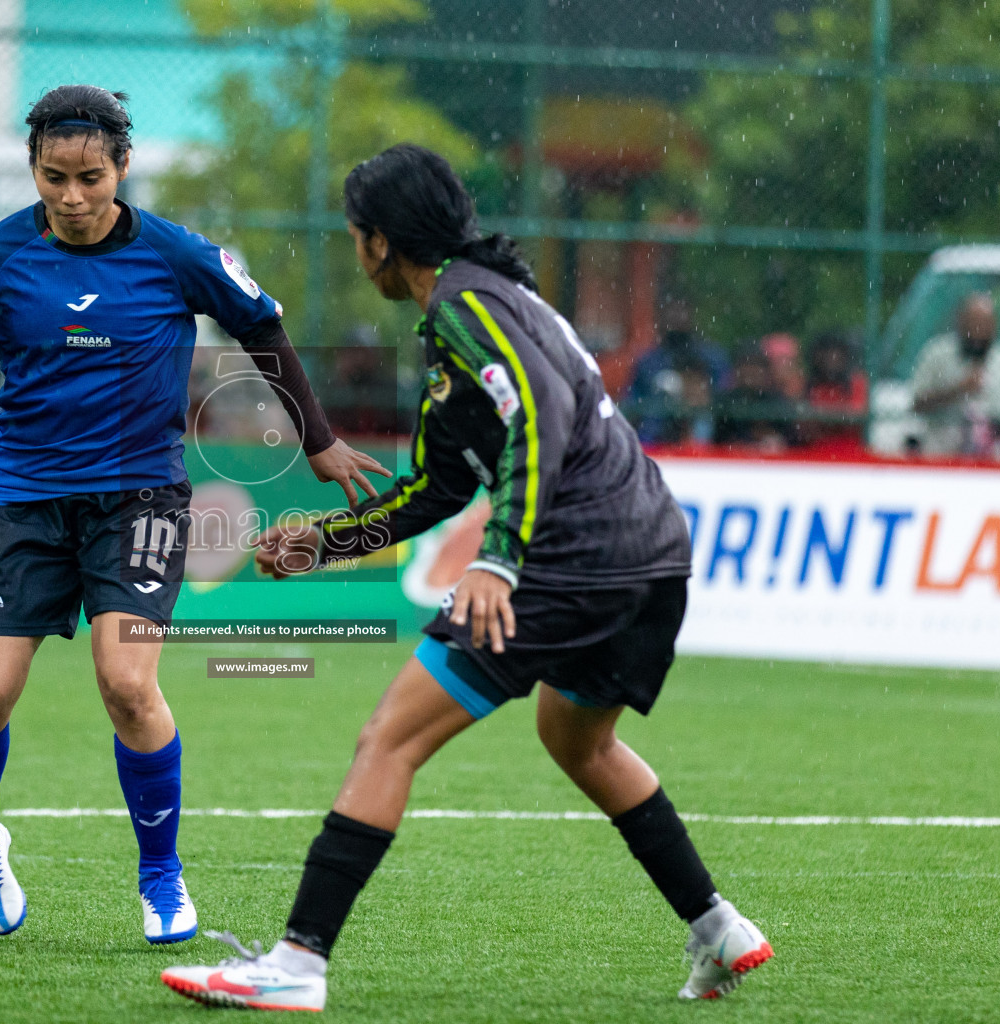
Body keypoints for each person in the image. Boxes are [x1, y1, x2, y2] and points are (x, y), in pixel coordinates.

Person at [160, 144, 773, 1011]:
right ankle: (718, 927)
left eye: (354, 236)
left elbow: (541, 419)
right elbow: (437, 486)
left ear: (379, 242)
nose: (354, 251)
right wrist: (323, 543)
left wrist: (499, 558)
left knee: (390, 738)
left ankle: (295, 965)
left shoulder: (464, 306)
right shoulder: (488, 302)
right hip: (651, 552)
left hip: (571, 558)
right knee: (578, 740)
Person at [0, 85, 387, 946]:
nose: (71, 197)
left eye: (90, 177)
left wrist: (320, 440)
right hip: (21, 501)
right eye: (53, 177)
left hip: (139, 498)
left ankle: (160, 874)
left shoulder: (178, 256)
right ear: (33, 168)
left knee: (127, 684)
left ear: (123, 166)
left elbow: (262, 331)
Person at [910, 292, 1000, 456]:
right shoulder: (936, 355)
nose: (978, 332)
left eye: (984, 325)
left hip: (994, 462)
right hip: (940, 458)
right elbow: (916, 404)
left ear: (994, 326)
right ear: (960, 322)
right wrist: (957, 390)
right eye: (973, 324)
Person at [624, 296, 731, 443]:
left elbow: (724, 401)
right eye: (672, 312)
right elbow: (632, 405)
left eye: (682, 312)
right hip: (655, 441)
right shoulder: (647, 362)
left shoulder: (713, 358)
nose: (677, 318)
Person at [715, 348, 798, 452]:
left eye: (756, 365)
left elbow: (791, 440)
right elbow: (719, 440)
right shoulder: (723, 403)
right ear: (736, 370)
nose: (750, 371)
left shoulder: (778, 402)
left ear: (765, 371)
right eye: (745, 365)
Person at [803, 330, 868, 453]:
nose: (832, 358)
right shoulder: (808, 385)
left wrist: (824, 415)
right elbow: (803, 421)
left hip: (853, 453)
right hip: (814, 453)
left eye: (836, 353)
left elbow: (859, 415)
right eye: (826, 353)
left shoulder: (857, 383)